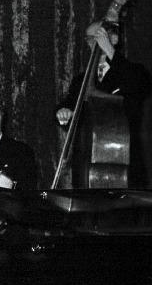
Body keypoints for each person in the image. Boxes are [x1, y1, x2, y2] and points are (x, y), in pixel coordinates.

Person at [56, 19, 151, 188]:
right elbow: (71, 108)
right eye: (90, 38)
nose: (94, 42)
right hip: (86, 164)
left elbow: (140, 85)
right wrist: (63, 114)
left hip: (123, 162)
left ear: (113, 39)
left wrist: (109, 50)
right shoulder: (81, 79)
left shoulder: (134, 71)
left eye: (99, 37)